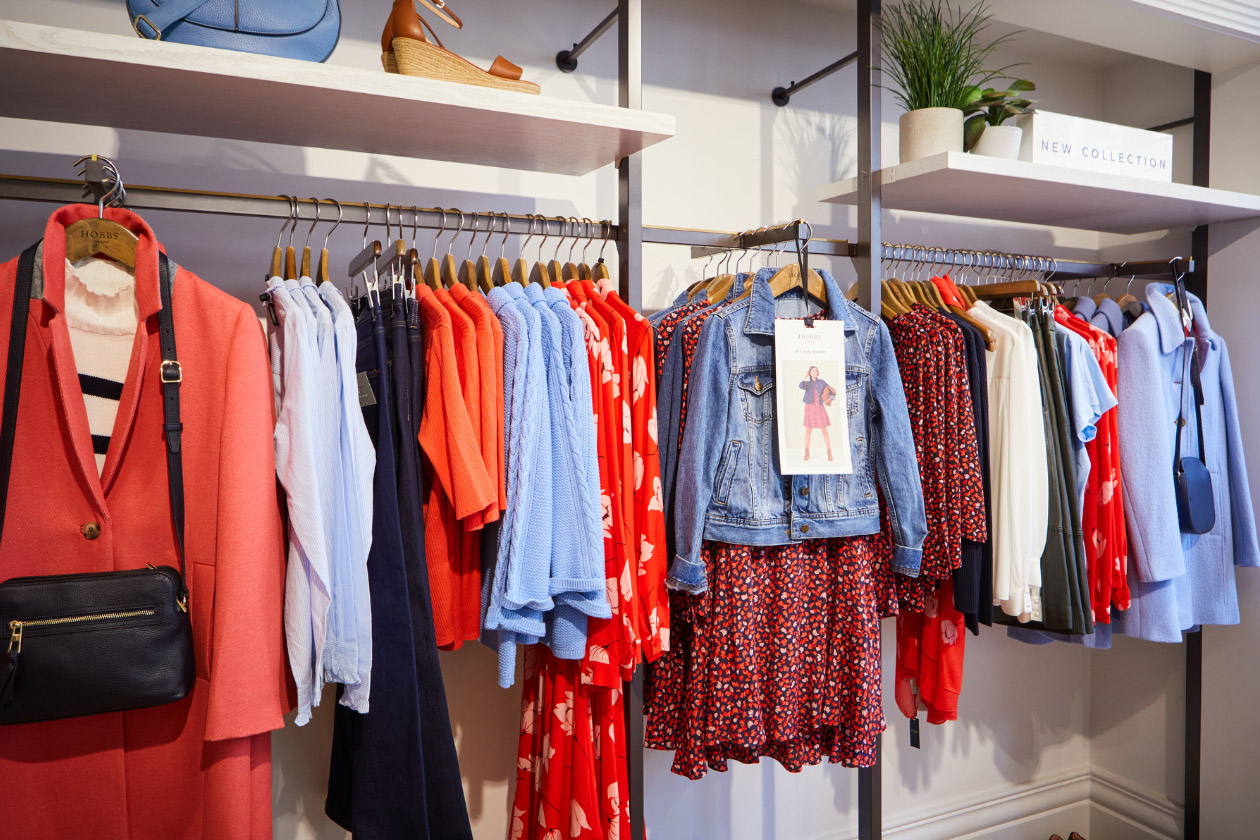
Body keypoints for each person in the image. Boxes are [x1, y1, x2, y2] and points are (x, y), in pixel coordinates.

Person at [799, 365, 835, 462]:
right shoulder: (807, 383)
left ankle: (829, 452)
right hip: (809, 407)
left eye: (816, 371)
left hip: (819, 407)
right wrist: (805, 376)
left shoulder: (822, 382)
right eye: (813, 371)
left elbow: (832, 391)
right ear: (810, 372)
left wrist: (829, 400)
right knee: (808, 430)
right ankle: (806, 452)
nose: (815, 372)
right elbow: (800, 386)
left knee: (824, 430)